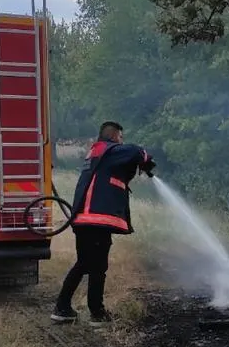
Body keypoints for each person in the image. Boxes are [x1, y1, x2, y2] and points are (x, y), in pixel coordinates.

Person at [51, 121, 156, 326]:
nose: (121, 142)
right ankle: (96, 313)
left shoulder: (97, 153)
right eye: (120, 137)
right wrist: (146, 159)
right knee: (97, 267)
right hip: (96, 220)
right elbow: (135, 151)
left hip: (85, 220)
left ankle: (64, 308)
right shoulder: (110, 150)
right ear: (114, 136)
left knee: (85, 264)